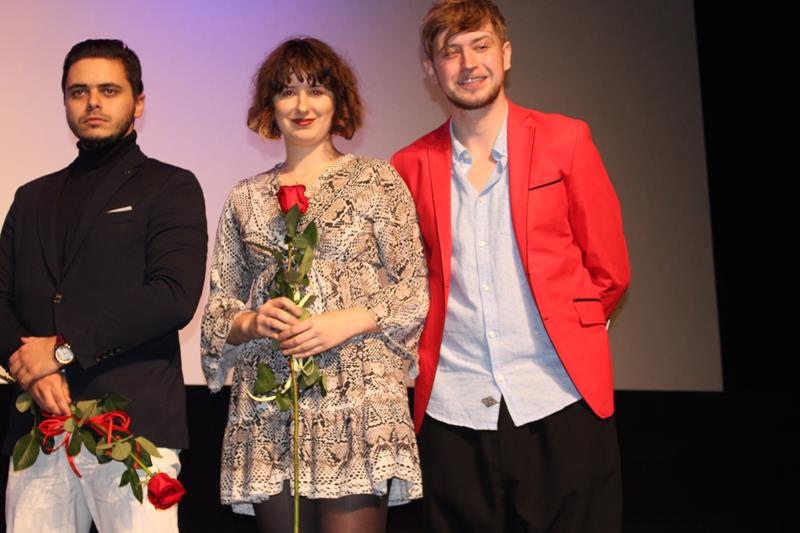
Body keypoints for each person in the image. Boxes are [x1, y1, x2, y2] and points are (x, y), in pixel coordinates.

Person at [391, 1, 631, 531]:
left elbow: (609, 270)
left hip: (558, 395)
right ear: (431, 69)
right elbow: (407, 284)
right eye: (450, 52)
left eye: (480, 46)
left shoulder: (565, 139)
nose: (468, 63)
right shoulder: (408, 166)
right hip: (453, 409)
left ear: (505, 54)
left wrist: (573, 330)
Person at [200, 37, 427, 533]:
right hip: (269, 405)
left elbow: (414, 289)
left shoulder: (377, 180)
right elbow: (218, 311)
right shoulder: (245, 197)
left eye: (317, 90)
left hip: (357, 396)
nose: (302, 105)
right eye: (287, 91)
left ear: (338, 101)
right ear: (270, 105)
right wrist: (252, 321)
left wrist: (348, 321)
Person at [0, 39, 207, 532]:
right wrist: (30, 368)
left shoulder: (171, 186)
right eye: (79, 91)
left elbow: (172, 296)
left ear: (139, 101)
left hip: (132, 429)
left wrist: (61, 351)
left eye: (109, 90)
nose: (92, 102)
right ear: (65, 101)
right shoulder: (32, 197)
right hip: (39, 430)